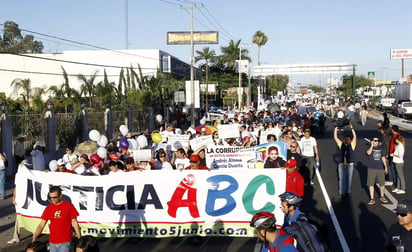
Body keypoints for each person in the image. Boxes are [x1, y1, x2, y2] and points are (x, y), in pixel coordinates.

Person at [32, 186, 81, 252]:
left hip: (65, 241)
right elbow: (41, 224)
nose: (52, 199)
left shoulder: (69, 206)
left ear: (60, 195)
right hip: (52, 242)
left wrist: (79, 238)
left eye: (54, 197)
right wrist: (34, 238)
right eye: (50, 197)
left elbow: (74, 223)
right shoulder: (48, 208)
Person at [333, 123, 357, 198]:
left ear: (351, 140)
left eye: (349, 139)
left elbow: (355, 137)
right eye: (346, 139)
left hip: (350, 165)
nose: (347, 140)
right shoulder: (341, 144)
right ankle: (342, 191)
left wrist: (352, 128)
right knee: (341, 179)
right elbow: (335, 138)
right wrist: (335, 129)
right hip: (341, 164)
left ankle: (347, 191)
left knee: (349, 179)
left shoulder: (352, 145)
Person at [366, 137, 388, 205]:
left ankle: (382, 196)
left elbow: (383, 158)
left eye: (377, 140)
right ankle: (372, 199)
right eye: (375, 140)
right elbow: (368, 153)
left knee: (382, 183)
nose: (376, 142)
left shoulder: (381, 148)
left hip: (380, 168)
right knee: (371, 184)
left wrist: (386, 167)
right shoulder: (370, 148)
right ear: (372, 141)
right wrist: (372, 145)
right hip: (371, 168)